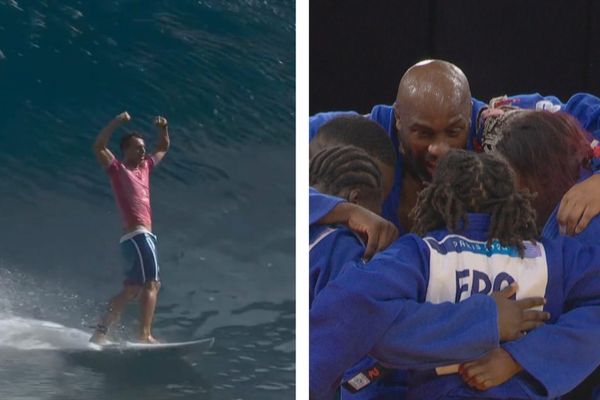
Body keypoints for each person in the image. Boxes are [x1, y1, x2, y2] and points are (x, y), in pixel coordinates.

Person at [310, 150, 600, 399]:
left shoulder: (419, 253)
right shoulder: (549, 257)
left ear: (436, 200)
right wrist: (520, 357)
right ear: (514, 201)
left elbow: (353, 307)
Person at [309, 59, 600, 236]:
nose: (440, 148)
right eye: (423, 133)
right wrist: (344, 211)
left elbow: (587, 113)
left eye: (454, 130)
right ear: (398, 118)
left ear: (469, 116)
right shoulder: (360, 136)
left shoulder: (495, 123)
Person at [90, 111, 170, 344]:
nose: (143, 151)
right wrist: (116, 122)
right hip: (139, 237)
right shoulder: (117, 170)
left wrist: (163, 127)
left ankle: (99, 333)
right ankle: (144, 335)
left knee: (131, 291)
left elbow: (163, 146)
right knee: (152, 284)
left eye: (143, 147)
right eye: (137, 148)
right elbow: (98, 146)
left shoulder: (145, 168)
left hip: (136, 239)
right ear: (126, 150)